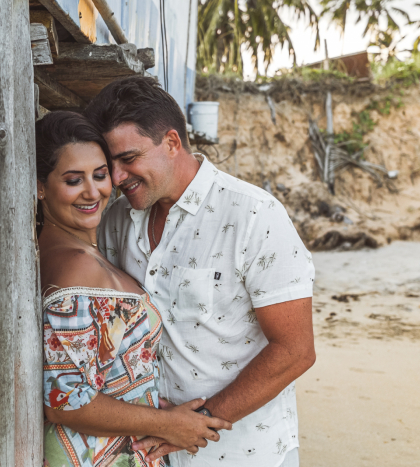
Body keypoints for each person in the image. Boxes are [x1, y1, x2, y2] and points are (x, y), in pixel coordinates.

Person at [85, 76, 316, 467]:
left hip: (244, 454)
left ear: (172, 143)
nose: (118, 177)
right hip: (148, 453)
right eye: (111, 165)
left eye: (129, 159)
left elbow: (295, 351)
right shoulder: (116, 222)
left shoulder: (254, 215)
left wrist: (200, 423)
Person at [36, 111, 232, 467]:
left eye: (99, 175)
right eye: (72, 180)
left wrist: (152, 405)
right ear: (39, 186)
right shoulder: (75, 266)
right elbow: (65, 401)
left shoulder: (77, 252)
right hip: (92, 456)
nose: (92, 191)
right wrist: (168, 424)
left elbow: (105, 371)